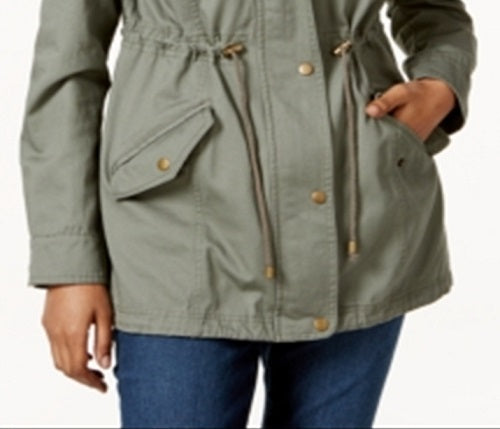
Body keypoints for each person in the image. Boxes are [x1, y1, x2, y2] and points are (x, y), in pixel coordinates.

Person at [19, 1, 477, 428]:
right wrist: (69, 268)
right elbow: (68, 71)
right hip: (176, 234)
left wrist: (440, 83)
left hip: (358, 217)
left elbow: (436, 13)